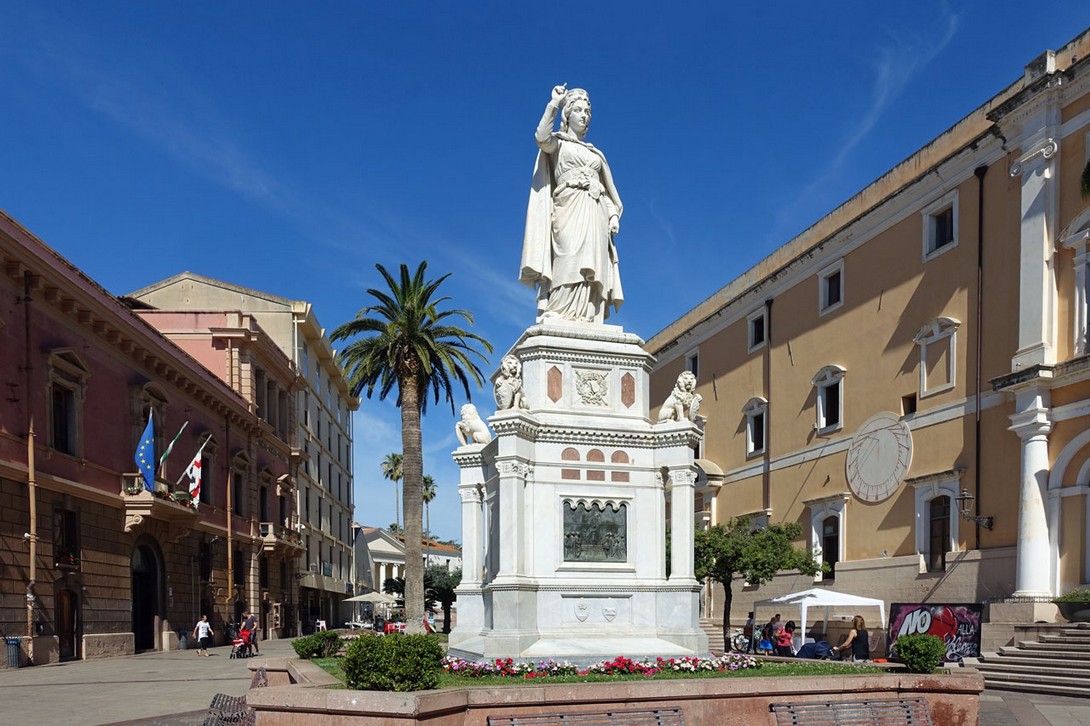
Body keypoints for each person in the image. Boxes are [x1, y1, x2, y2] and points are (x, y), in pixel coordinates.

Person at [521, 84, 624, 324]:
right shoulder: (559, 143)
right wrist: (553, 104)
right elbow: (541, 138)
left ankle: (588, 312)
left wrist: (612, 215)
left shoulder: (595, 153)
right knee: (568, 255)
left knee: (592, 259)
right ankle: (560, 307)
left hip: (595, 210)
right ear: (568, 114)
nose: (584, 115)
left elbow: (607, 192)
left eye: (587, 112)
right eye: (578, 110)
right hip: (568, 207)